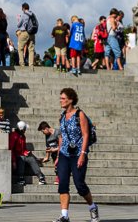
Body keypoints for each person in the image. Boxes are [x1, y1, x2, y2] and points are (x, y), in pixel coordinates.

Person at [54, 87, 98, 222]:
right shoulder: (62, 116)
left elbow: (85, 135)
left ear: (71, 100)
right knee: (62, 185)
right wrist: (57, 156)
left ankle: (92, 206)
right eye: (60, 98)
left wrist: (83, 154)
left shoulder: (80, 114)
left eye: (63, 98)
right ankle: (64, 215)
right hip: (64, 155)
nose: (60, 100)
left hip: (78, 154)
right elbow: (61, 137)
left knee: (80, 185)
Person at [9, 120, 47, 186]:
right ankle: (20, 178)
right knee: (21, 159)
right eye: (25, 129)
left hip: (23, 154)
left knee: (31, 159)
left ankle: (40, 177)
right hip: (16, 156)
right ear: (22, 129)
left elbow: (24, 148)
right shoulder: (14, 136)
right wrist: (14, 161)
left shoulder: (23, 136)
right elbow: (11, 149)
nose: (25, 130)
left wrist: (26, 152)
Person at [16, 3, 38, 67]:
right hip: (32, 33)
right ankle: (31, 64)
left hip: (24, 32)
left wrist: (19, 19)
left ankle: (22, 64)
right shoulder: (33, 14)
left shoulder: (24, 15)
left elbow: (18, 25)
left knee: (20, 48)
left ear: (23, 8)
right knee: (31, 49)